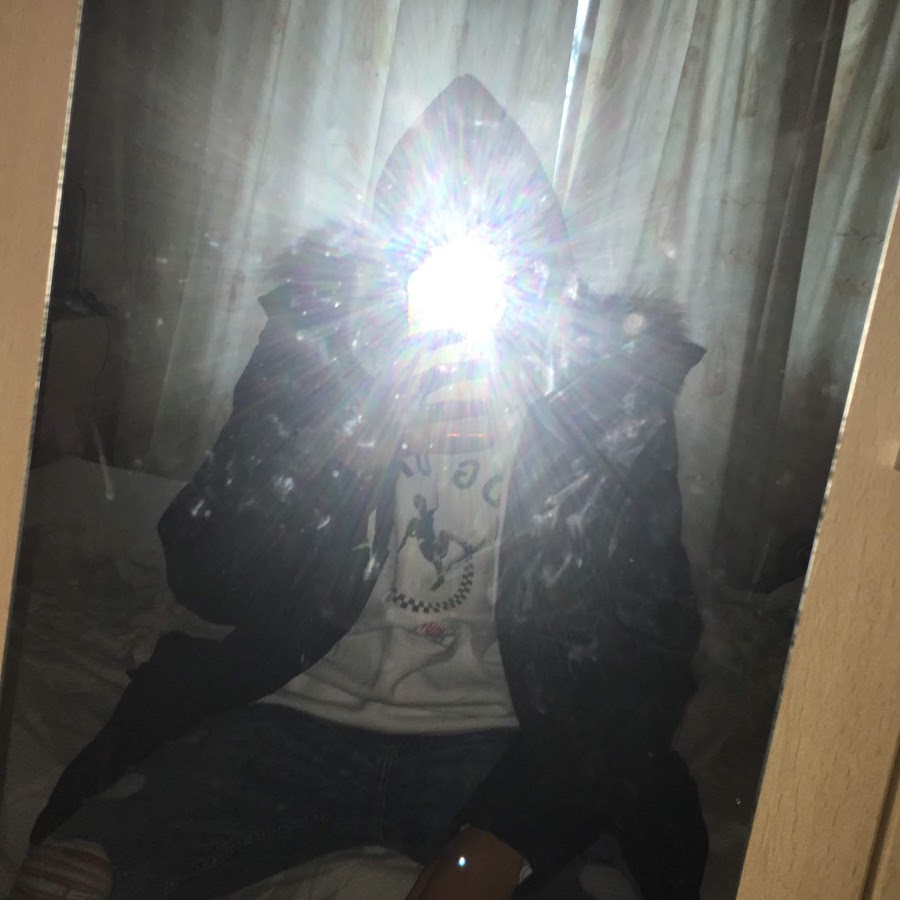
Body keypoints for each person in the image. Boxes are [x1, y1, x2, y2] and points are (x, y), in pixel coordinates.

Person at [13, 77, 707, 900]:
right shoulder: (318, 352)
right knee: (77, 878)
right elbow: (205, 573)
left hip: (513, 739)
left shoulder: (603, 396)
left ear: (542, 271)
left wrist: (510, 834)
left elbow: (646, 652)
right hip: (289, 712)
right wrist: (351, 444)